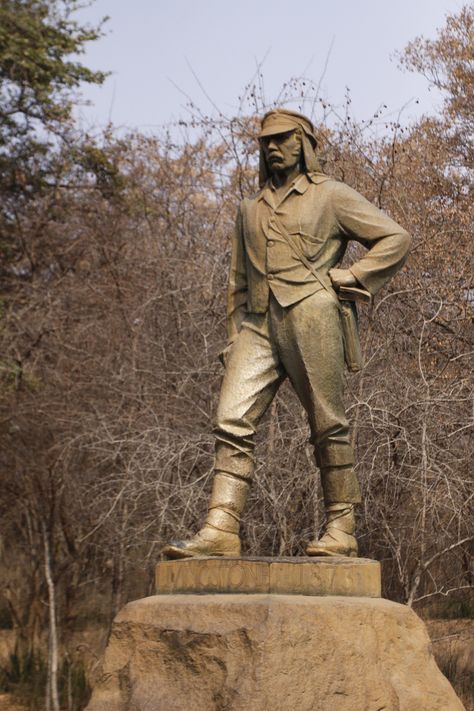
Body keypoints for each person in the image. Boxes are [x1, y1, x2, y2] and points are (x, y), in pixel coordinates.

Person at [163, 108, 411, 559]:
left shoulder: (331, 196)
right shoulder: (248, 209)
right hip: (257, 324)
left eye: (282, 139)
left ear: (304, 143)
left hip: (311, 315)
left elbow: (395, 237)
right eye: (265, 142)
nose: (272, 148)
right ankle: (220, 528)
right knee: (230, 420)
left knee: (327, 421)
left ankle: (342, 527)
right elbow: (237, 283)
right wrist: (235, 334)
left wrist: (348, 278)